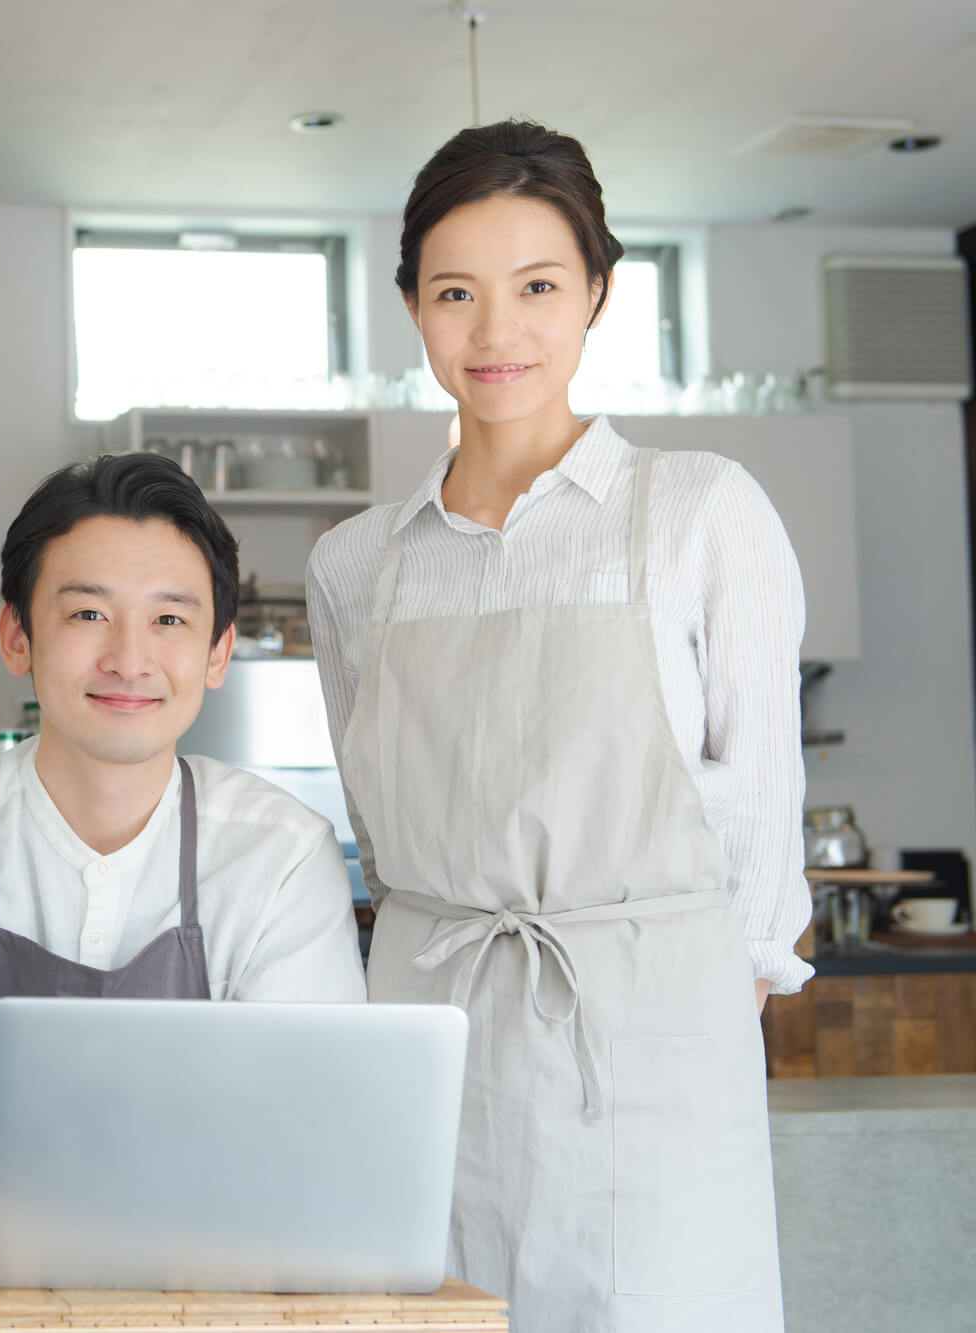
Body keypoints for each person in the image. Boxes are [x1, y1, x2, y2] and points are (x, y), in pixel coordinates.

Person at [307, 120, 806, 1331]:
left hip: (645, 1047)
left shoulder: (696, 510)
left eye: (536, 286)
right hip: (432, 1042)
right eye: (454, 293)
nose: (495, 333)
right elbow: (379, 821)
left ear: (596, 293)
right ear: (412, 310)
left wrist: (684, 1025)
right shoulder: (355, 562)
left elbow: (758, 809)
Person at [0, 452, 367, 1233]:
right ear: (18, 636)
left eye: (169, 618)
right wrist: (83, 1203)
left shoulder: (280, 854)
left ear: (218, 652)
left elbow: (307, 1121)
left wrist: (93, 1201)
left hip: (211, 1284)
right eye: (87, 614)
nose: (129, 659)